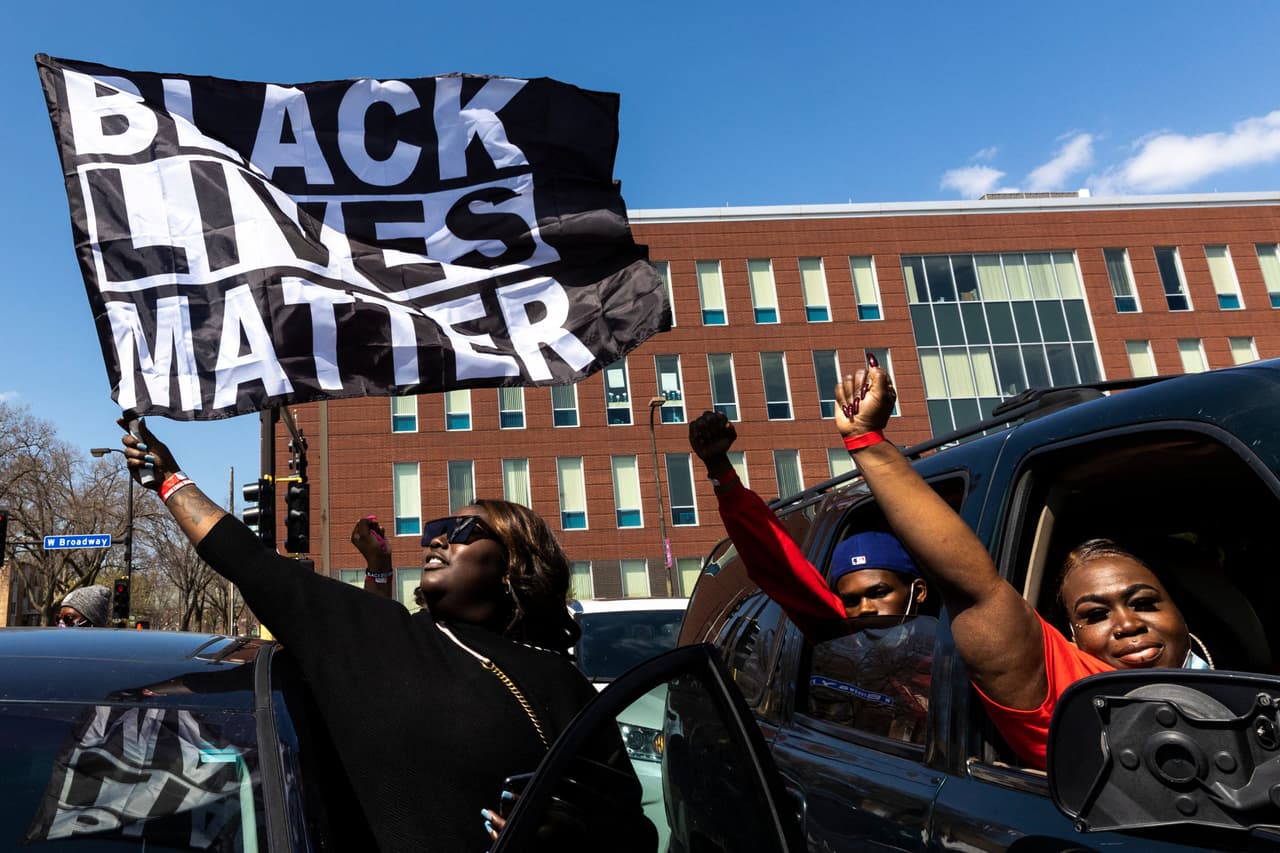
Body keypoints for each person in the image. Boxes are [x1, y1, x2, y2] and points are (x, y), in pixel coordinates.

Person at [115, 418, 627, 853]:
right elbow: (255, 567)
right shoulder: (386, 640)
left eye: (465, 529)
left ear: (515, 563)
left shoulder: (567, 686)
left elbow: (632, 831)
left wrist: (569, 834)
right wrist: (169, 480)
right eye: (435, 528)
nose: (437, 537)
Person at [833, 355, 1196, 769]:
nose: (1128, 624)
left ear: (1181, 611)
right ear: (1071, 638)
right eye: (1095, 614)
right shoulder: (1070, 706)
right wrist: (867, 441)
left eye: (1145, 603)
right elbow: (975, 589)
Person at [688, 411, 929, 636]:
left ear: (919, 592)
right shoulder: (843, 636)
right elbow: (776, 564)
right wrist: (720, 470)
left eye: (879, 592)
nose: (866, 609)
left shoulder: (958, 642)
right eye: (851, 601)